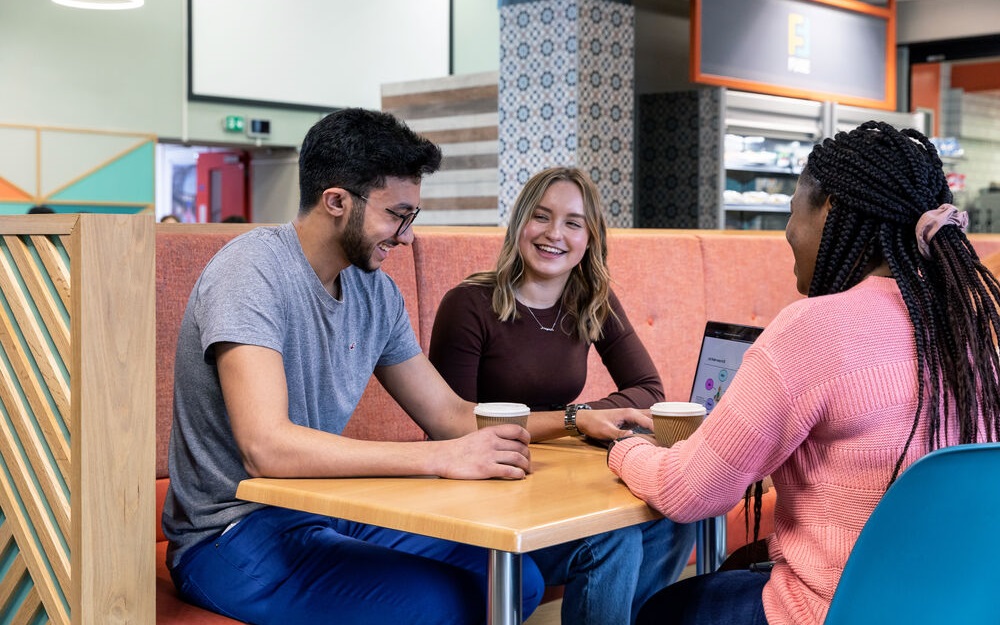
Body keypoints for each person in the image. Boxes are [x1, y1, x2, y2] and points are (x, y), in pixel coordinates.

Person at [163, 108, 615, 624]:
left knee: (514, 581)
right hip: (229, 532)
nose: (408, 236)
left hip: (323, 510)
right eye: (398, 215)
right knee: (444, 602)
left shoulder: (374, 290)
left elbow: (447, 413)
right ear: (336, 201)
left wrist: (573, 420)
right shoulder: (251, 272)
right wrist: (441, 459)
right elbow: (266, 447)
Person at [609, 121, 1000, 625]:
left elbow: (692, 492)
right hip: (957, 610)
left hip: (825, 612)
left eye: (793, 212)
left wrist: (624, 451)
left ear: (829, 210)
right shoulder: (970, 327)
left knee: (664, 611)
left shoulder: (814, 329)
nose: (788, 233)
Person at [429, 166, 696, 625]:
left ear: (589, 238)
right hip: (486, 496)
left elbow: (649, 390)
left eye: (573, 223)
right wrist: (575, 420)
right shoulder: (469, 304)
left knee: (677, 517)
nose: (554, 234)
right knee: (614, 537)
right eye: (541, 217)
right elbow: (455, 427)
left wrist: (583, 415)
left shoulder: (594, 300)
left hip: (558, 482)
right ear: (519, 225)